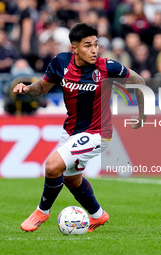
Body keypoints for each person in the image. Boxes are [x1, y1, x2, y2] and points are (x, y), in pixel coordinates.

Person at [13, 23, 146, 232]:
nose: (94, 50)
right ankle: (98, 215)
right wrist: (26, 89)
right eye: (87, 45)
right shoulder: (60, 62)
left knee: (52, 165)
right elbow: (42, 88)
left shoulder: (107, 67)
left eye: (96, 45)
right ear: (74, 48)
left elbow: (138, 80)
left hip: (97, 133)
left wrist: (142, 113)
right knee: (71, 179)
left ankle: (42, 212)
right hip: (71, 131)